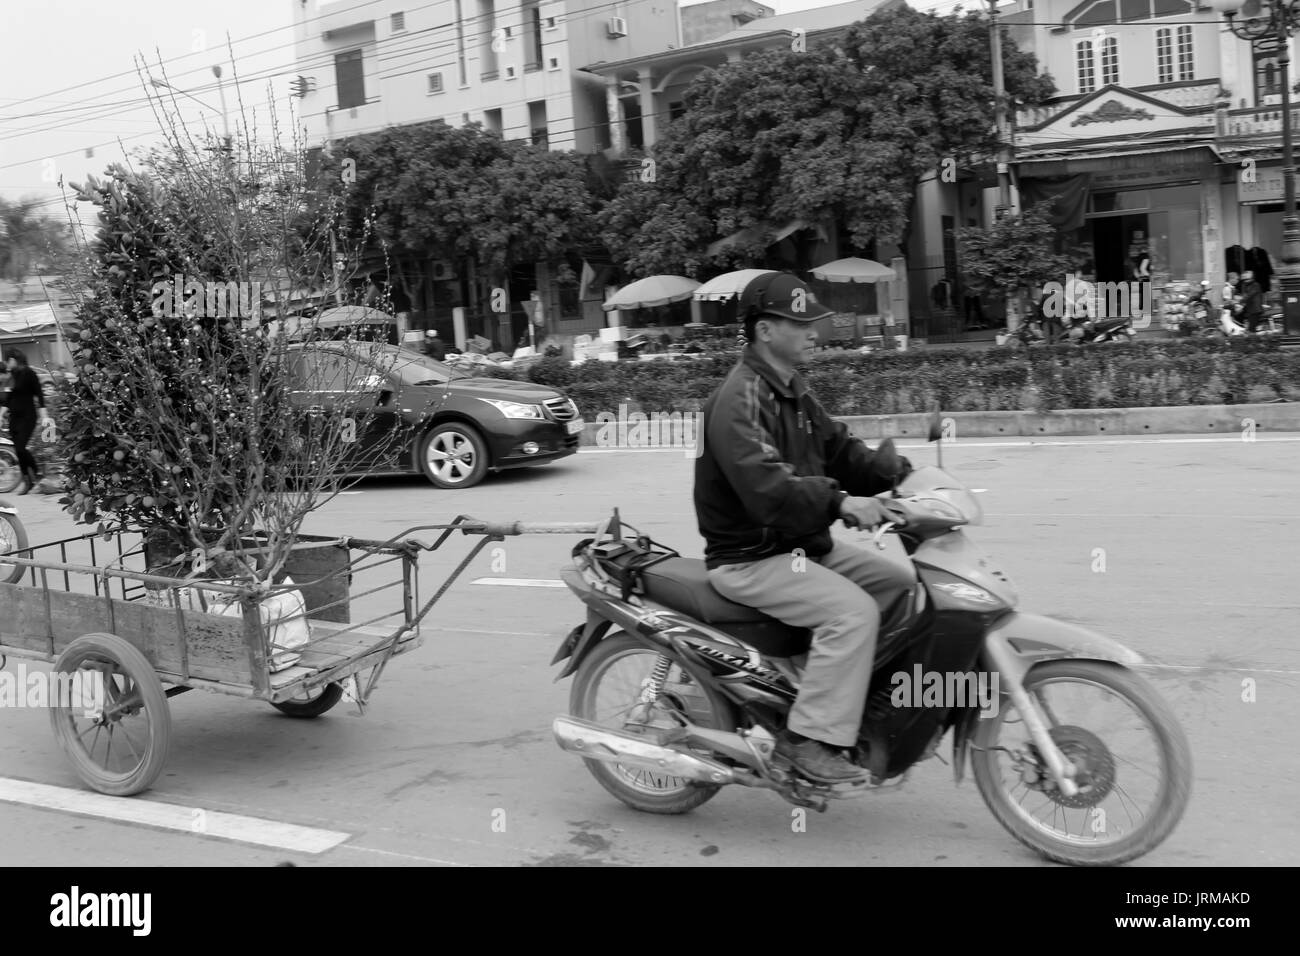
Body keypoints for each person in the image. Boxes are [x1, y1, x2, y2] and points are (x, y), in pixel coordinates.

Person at [693, 271, 917, 784]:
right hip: (751, 556)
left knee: (901, 588)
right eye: (801, 323)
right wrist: (841, 502)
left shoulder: (793, 390)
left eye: (813, 321)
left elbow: (839, 450)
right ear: (765, 331)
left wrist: (896, 471)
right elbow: (769, 489)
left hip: (799, 546)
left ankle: (848, 700)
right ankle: (808, 740)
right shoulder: (738, 401)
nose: (814, 331)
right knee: (855, 614)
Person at [2, 349, 51, 494]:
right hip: (14, 418)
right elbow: (7, 399)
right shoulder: (12, 376)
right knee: (18, 450)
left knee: (21, 448)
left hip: (28, 416)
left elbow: (39, 395)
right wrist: (1, 415)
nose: (6, 363)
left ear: (14, 359)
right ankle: (28, 481)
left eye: (8, 360)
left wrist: (44, 415)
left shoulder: (29, 373)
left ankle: (35, 473)